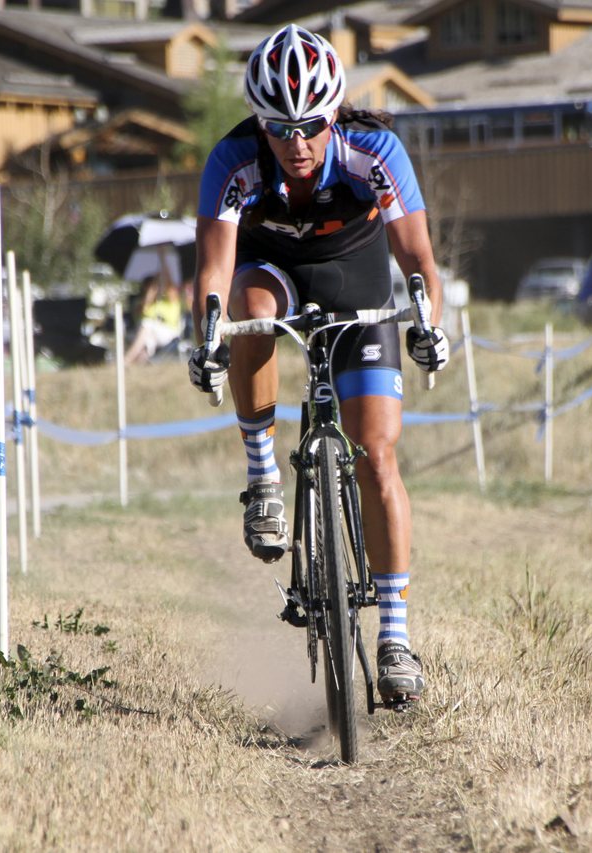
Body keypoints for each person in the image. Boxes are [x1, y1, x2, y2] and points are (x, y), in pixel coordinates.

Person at [186, 24, 450, 707]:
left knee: (379, 458)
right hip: (270, 270)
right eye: (278, 128)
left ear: (332, 115)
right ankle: (263, 476)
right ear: (259, 122)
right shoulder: (234, 159)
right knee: (248, 303)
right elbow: (213, 267)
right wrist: (206, 337)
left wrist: (429, 324)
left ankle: (394, 636)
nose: (295, 144)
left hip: (355, 280)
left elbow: (418, 257)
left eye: (309, 126)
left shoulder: (375, 151)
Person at [124, 271, 185, 365]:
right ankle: (138, 365)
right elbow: (140, 310)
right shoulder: (140, 302)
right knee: (146, 341)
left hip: (169, 334)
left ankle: (126, 360)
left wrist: (163, 262)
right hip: (148, 335)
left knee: (147, 325)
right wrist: (150, 295)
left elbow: (170, 286)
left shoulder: (171, 301)